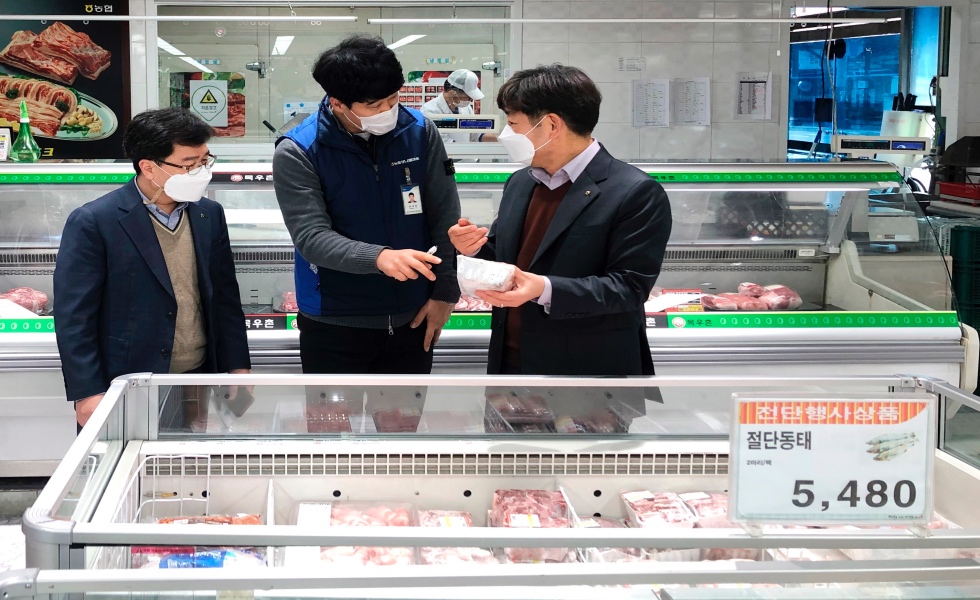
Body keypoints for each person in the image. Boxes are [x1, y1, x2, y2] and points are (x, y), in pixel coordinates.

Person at [448, 64, 672, 377]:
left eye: (513, 124)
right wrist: (473, 249)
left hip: (587, 373)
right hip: (512, 363)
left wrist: (543, 288)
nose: (505, 135)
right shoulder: (521, 183)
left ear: (551, 124)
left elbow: (629, 287)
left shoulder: (634, 192)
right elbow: (505, 261)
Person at [272, 35, 460, 380]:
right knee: (332, 430)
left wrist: (446, 291)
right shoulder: (299, 150)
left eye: (393, 99)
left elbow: (445, 216)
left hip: (413, 317)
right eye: (374, 106)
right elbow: (311, 237)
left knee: (401, 428)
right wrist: (380, 257)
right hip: (333, 322)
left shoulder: (420, 132)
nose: (388, 111)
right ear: (338, 103)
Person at [54, 108, 251, 429]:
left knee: (189, 470)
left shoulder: (208, 214)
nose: (201, 172)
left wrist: (238, 367)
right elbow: (74, 317)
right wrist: (87, 392)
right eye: (189, 164)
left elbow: (225, 296)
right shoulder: (96, 221)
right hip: (127, 379)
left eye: (205, 161)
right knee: (128, 471)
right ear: (149, 167)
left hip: (197, 374)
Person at [421, 69, 498, 144]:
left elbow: (475, 134)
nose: (471, 100)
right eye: (468, 97)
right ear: (452, 93)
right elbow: (443, 143)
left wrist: (499, 140)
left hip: (465, 155)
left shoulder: (465, 108)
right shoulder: (429, 111)